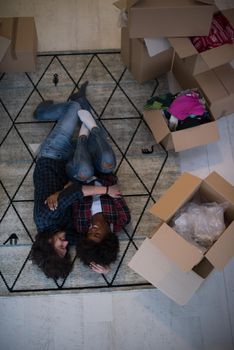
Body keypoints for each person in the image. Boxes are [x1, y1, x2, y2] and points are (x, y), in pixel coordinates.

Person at [31, 82, 120, 279]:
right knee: (97, 158)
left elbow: (77, 192)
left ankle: (41, 112)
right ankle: (85, 125)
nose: (66, 245)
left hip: (52, 155)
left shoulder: (45, 218)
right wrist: (102, 265)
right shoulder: (62, 235)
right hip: (68, 166)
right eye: (66, 250)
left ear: (47, 244)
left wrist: (107, 191)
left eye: (60, 248)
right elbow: (88, 243)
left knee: (73, 108)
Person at [73, 171, 131, 274]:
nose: (93, 229)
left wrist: (97, 261)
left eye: (90, 233)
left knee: (84, 167)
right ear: (108, 237)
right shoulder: (121, 219)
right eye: (97, 234)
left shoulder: (81, 226)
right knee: (107, 160)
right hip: (105, 175)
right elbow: (115, 191)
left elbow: (76, 195)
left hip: (81, 177)